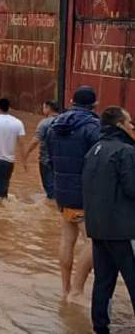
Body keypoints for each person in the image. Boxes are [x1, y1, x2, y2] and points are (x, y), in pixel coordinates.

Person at [46, 85, 100, 305]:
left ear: (71, 100)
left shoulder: (53, 126)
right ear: (95, 104)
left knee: (67, 239)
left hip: (62, 192)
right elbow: (100, 160)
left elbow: (49, 158)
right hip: (86, 194)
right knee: (96, 241)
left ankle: (65, 289)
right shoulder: (93, 127)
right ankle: (77, 291)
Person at [83, 106, 135, 334]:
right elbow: (132, 189)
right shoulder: (126, 152)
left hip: (97, 228)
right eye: (130, 122)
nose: (133, 127)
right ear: (120, 125)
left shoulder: (94, 149)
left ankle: (100, 327)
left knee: (103, 281)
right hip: (123, 230)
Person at [19, 99, 61, 200]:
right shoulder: (65, 121)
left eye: (43, 107)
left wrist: (26, 154)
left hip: (46, 160)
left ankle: (52, 209)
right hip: (62, 160)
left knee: (50, 189)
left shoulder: (45, 123)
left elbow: (35, 141)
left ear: (48, 108)